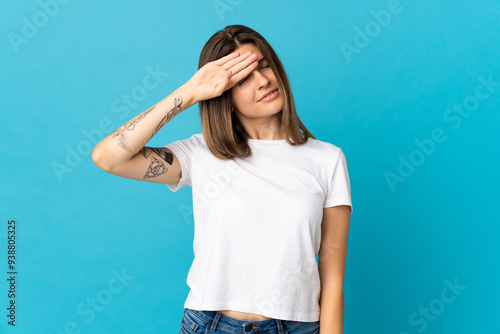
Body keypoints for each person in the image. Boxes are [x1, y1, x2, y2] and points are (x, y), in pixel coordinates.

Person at [92, 24, 352, 334]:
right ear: (223, 95)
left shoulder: (327, 159)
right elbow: (107, 156)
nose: (264, 81)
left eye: (265, 65)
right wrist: (189, 92)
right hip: (211, 325)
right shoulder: (200, 153)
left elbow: (333, 280)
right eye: (243, 78)